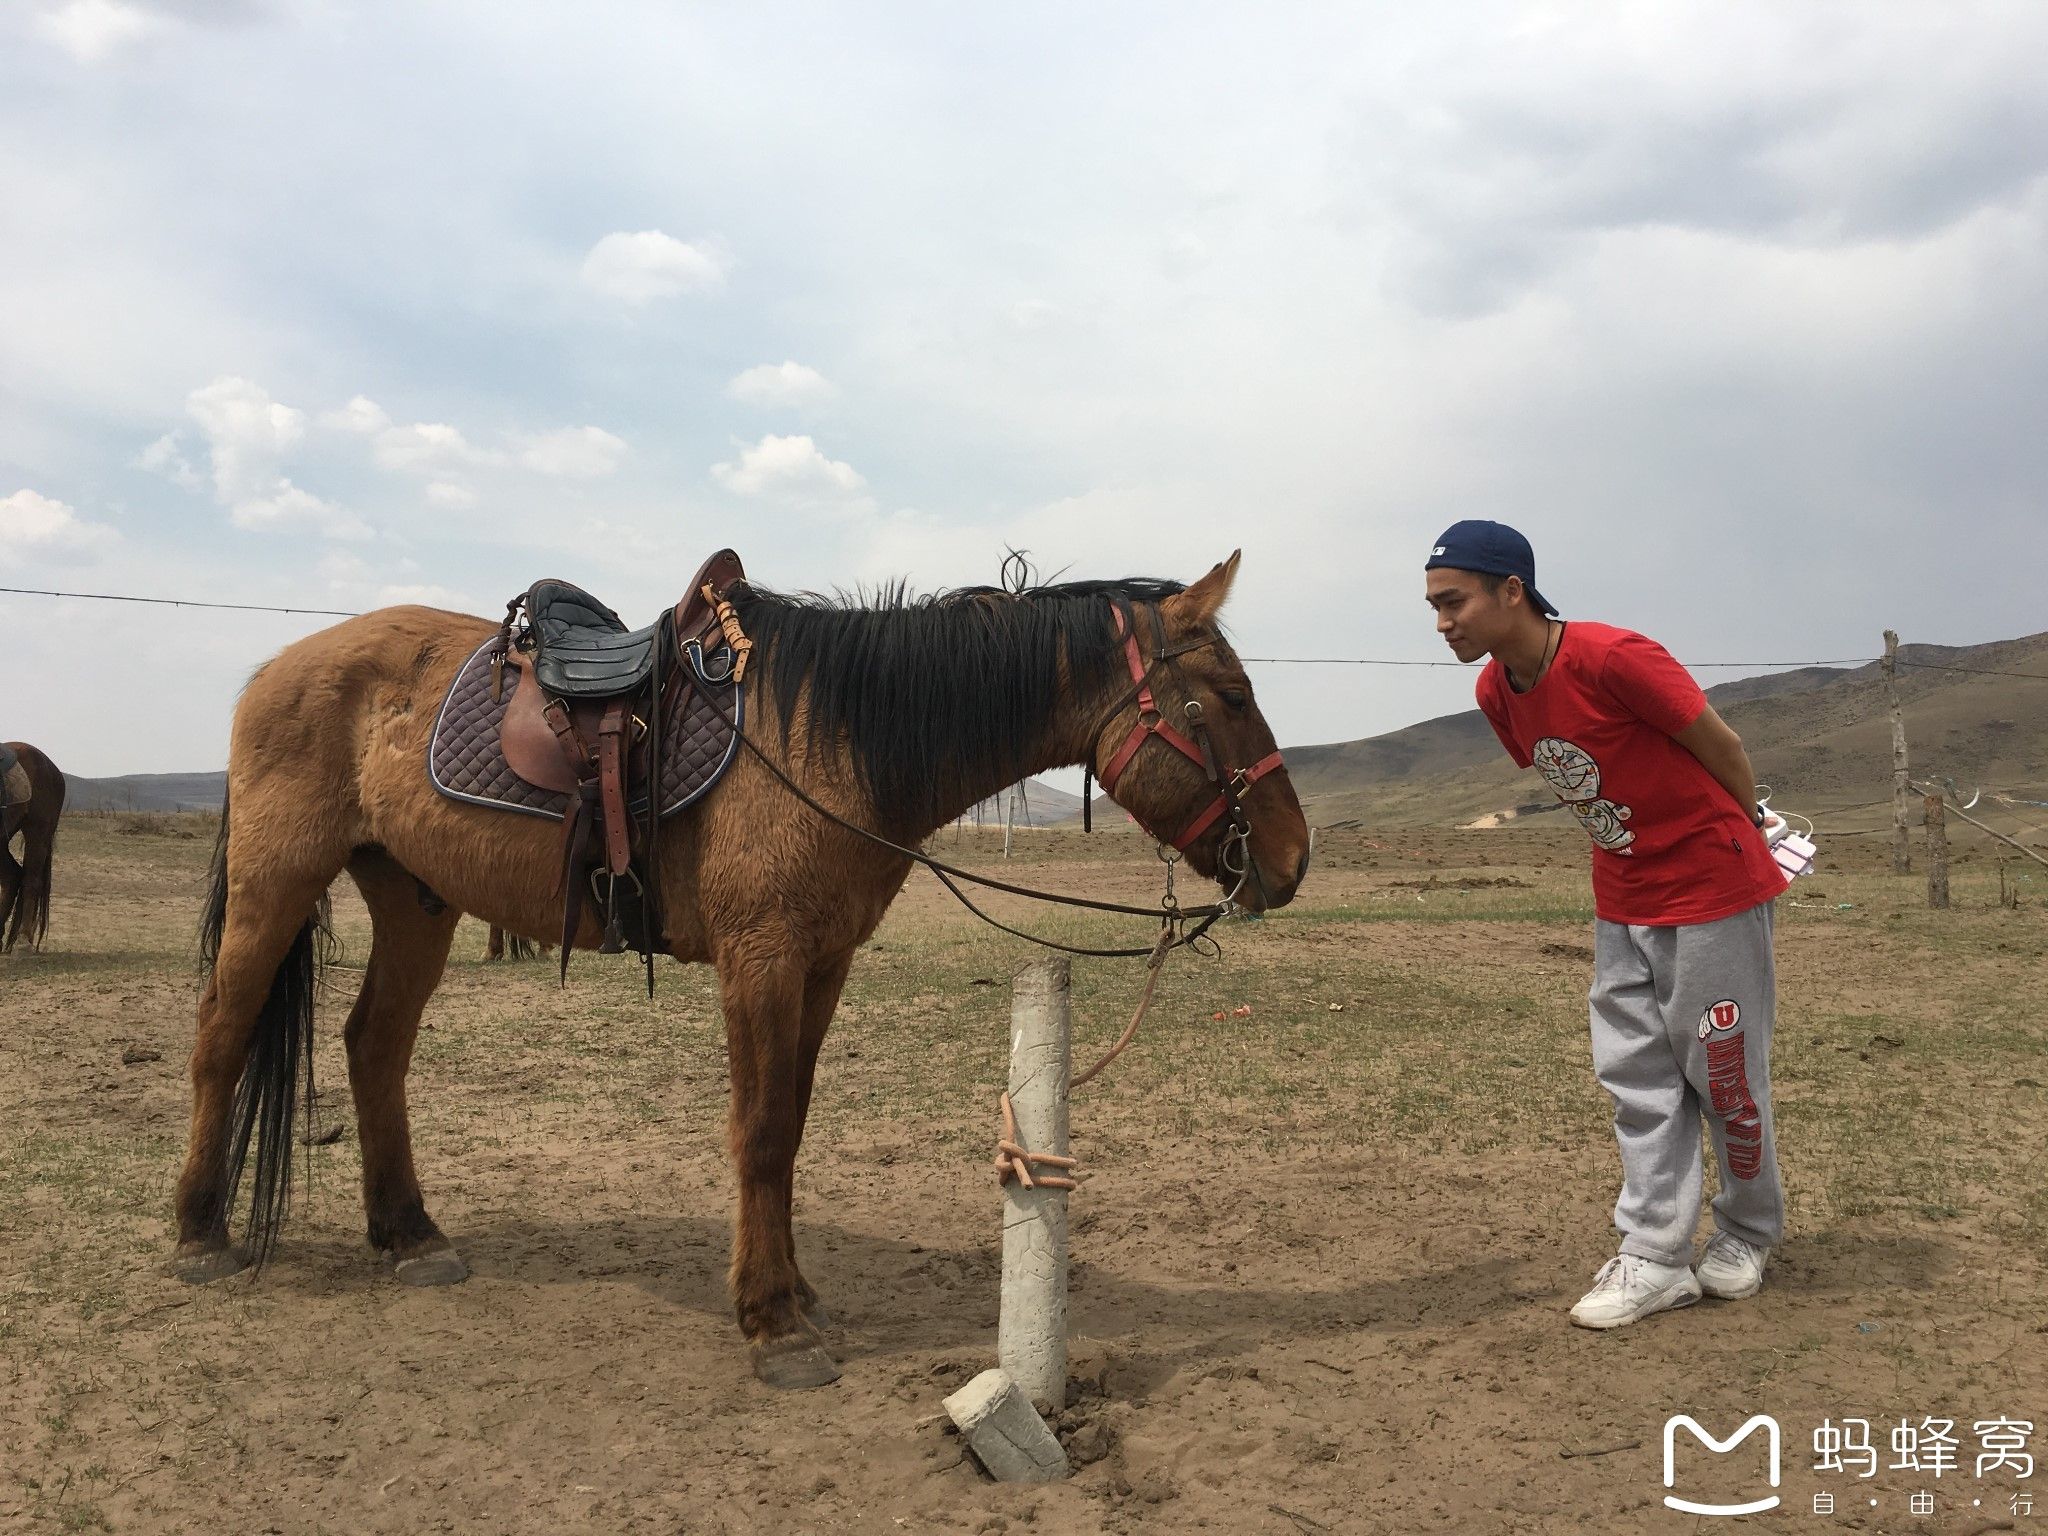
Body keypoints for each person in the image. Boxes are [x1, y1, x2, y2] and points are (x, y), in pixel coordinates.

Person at [1423, 520, 1788, 1329]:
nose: (1442, 622)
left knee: (1722, 1073)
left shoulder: (1614, 657)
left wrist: (1746, 833)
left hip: (1710, 888)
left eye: (1453, 602)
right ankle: (1657, 1256)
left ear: (1511, 591)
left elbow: (1720, 746)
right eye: (1434, 607)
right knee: (1637, 1077)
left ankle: (1749, 1230)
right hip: (1622, 898)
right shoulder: (1494, 692)